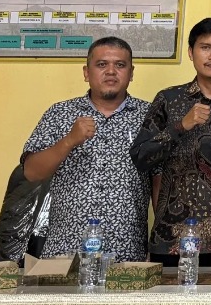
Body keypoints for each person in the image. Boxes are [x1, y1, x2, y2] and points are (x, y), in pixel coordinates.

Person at [130, 17, 211, 267]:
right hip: (171, 239)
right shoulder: (168, 99)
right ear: (191, 52)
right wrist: (181, 126)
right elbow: (140, 157)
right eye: (206, 47)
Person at [20, 37, 149, 261]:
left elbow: (160, 180)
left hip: (127, 251)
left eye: (120, 65)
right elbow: (31, 172)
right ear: (86, 72)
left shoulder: (149, 116)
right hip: (65, 251)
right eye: (101, 64)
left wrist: (157, 247)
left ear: (131, 73)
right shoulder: (60, 113)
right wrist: (69, 140)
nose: (111, 71)